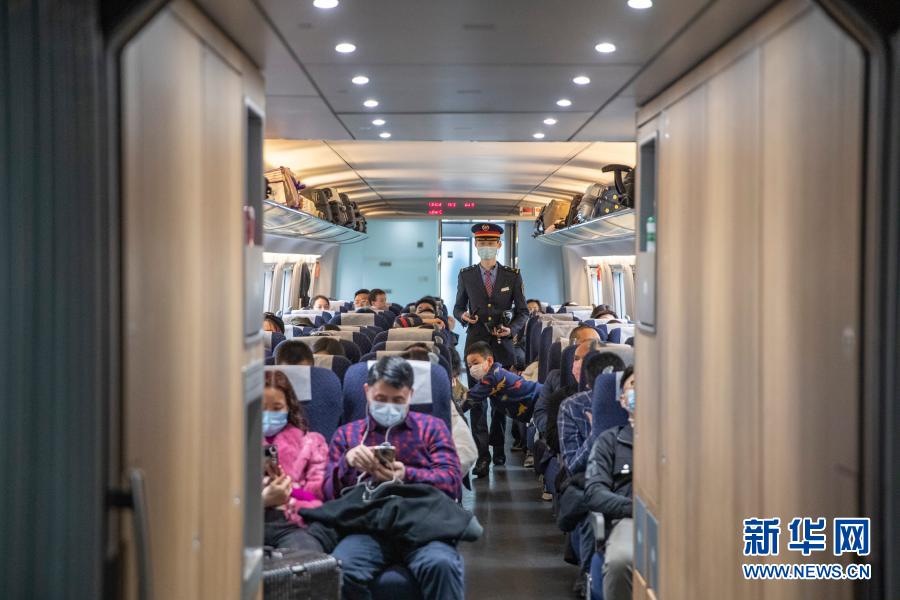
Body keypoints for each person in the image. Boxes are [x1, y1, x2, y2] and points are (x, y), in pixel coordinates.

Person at [325, 357, 464, 599]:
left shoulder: (432, 429)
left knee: (442, 565)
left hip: (423, 525)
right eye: (381, 399)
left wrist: (406, 475)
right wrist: (347, 463)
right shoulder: (348, 435)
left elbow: (451, 481)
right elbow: (327, 493)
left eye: (398, 400)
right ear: (367, 391)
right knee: (340, 570)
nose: (389, 406)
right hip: (367, 527)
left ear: (411, 395)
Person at [453, 223, 527, 477]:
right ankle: (482, 457)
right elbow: (458, 306)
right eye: (482, 242)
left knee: (500, 401)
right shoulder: (466, 275)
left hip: (501, 346)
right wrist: (463, 316)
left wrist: (511, 329)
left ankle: (499, 450)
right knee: (477, 402)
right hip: (476, 345)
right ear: (476, 245)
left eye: (490, 242)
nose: (486, 247)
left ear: (499, 245)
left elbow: (523, 312)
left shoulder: (512, 275)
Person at [262, 370, 328, 551]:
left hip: (292, 522)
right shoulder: (233, 444)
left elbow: (318, 495)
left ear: (288, 408)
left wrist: (288, 491)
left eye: (277, 408)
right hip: (246, 518)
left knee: (306, 558)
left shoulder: (311, 442)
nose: (268, 414)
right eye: (261, 408)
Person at [585, 366, 635, 600]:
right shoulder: (610, 440)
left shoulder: (680, 440)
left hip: (678, 520)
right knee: (621, 560)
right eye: (634, 385)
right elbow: (594, 492)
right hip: (628, 519)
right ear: (623, 399)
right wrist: (635, 508)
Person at [464, 342, 542, 425]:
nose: (472, 369)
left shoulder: (493, 377)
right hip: (535, 403)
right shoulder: (495, 373)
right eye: (469, 366)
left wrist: (455, 410)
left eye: (476, 363)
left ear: (489, 361)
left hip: (538, 400)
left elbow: (472, 397)